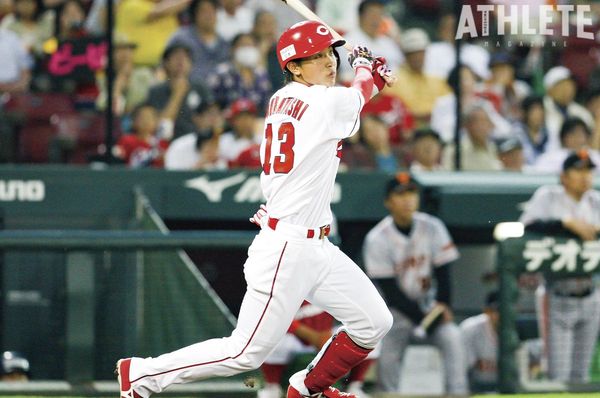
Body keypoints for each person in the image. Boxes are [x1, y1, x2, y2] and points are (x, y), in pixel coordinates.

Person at [116, 19, 394, 398]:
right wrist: (367, 66)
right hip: (287, 247)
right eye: (315, 57)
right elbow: (359, 93)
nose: (329, 61)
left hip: (315, 244)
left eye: (330, 52)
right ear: (293, 67)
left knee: (373, 321)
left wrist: (365, 70)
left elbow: (355, 93)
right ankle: (144, 374)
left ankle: (306, 388)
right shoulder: (317, 100)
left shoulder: (286, 98)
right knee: (245, 352)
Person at [362, 172, 468, 396]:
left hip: (430, 306)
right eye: (400, 194)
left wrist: (442, 306)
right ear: (388, 202)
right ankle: (387, 393)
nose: (408, 199)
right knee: (388, 348)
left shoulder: (433, 226)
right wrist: (423, 318)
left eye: (411, 192)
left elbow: (444, 272)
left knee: (453, 337)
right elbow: (390, 291)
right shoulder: (377, 238)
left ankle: (458, 392)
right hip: (395, 313)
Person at [519, 149, 600, 383]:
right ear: (563, 176)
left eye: (588, 170)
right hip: (557, 292)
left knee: (580, 375)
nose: (585, 176)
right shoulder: (548, 197)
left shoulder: (595, 201)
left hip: (591, 293)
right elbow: (526, 226)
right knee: (558, 374)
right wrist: (566, 224)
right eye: (578, 170)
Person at [146, 42, 214, 140]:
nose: (181, 62)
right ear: (166, 63)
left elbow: (212, 118)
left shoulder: (200, 87)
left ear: (191, 64)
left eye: (185, 58)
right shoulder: (156, 91)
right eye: (176, 58)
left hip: (198, 142)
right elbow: (160, 129)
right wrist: (177, 94)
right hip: (168, 143)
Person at [459, 291, 500, 393]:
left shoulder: (520, 329)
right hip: (475, 390)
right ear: (487, 311)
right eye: (498, 310)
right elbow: (462, 371)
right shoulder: (470, 328)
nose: (503, 314)